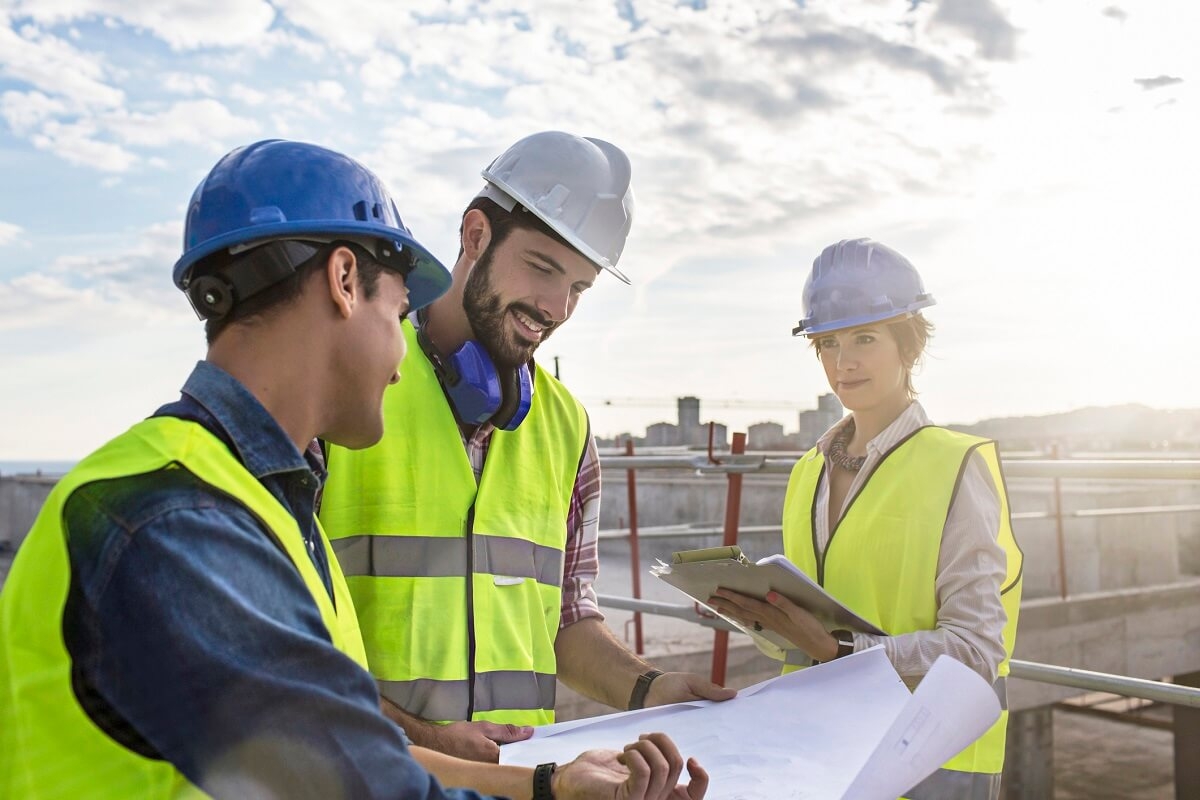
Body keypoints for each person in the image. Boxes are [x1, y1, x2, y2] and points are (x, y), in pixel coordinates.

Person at [0, 139, 708, 800]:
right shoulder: (178, 517)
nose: (401, 363)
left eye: (579, 289)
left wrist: (546, 783)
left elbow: (334, 731)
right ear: (345, 280)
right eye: (398, 305)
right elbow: (346, 774)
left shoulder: (262, 495)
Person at [318, 131, 736, 762]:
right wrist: (423, 737)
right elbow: (280, 635)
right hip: (368, 776)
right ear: (475, 237)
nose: (556, 307)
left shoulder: (566, 426)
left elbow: (568, 620)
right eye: (542, 268)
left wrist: (651, 688)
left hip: (525, 781)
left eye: (578, 287)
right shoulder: (346, 385)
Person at [707, 238, 1022, 800]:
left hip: (930, 760)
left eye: (865, 338)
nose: (842, 361)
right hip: (818, 754)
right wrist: (759, 616)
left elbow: (978, 652)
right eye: (827, 342)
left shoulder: (955, 465)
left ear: (910, 345)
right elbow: (806, 638)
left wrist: (843, 651)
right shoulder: (808, 472)